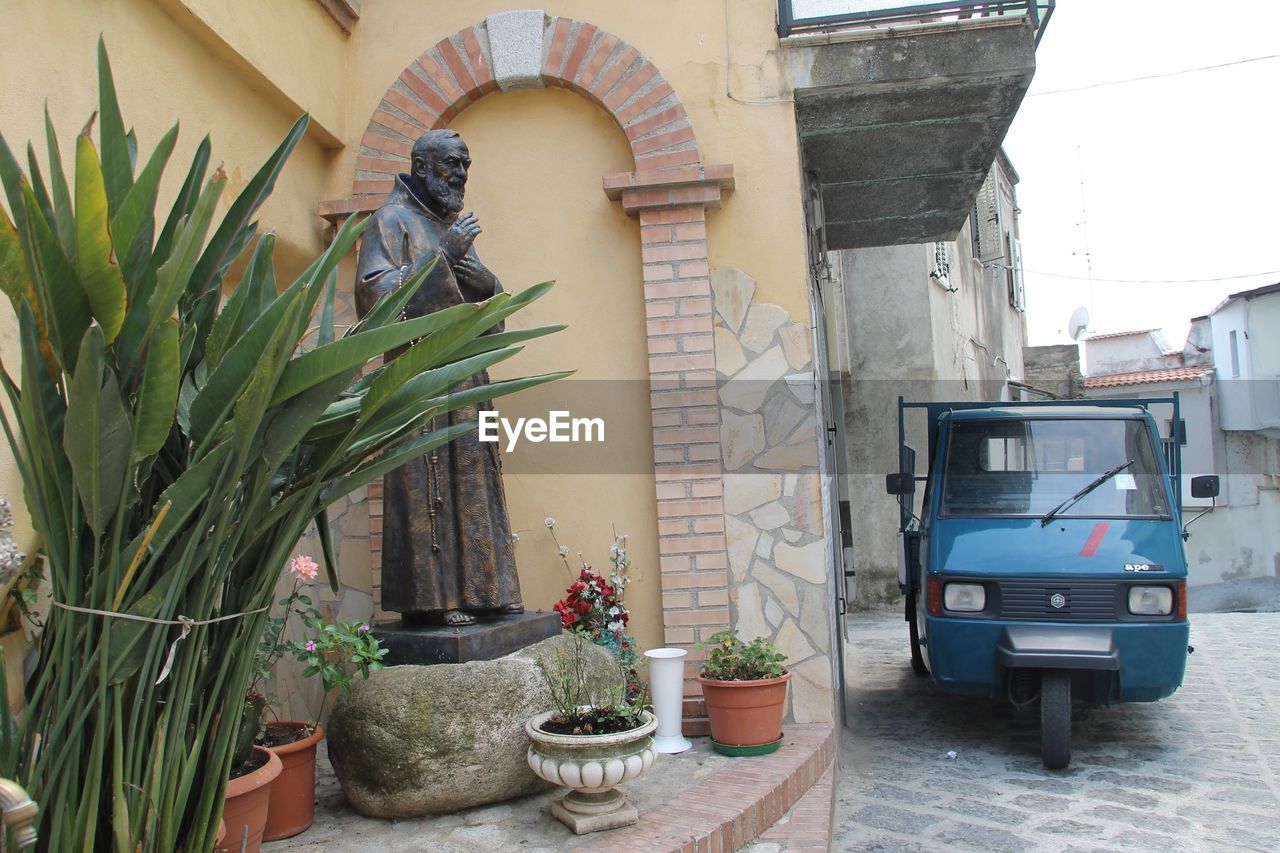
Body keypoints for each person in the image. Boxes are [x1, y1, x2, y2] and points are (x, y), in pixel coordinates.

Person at [354, 129, 523, 626]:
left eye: (466, 165)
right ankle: (436, 601)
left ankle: (487, 591)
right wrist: (442, 258)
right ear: (422, 167)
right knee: (429, 489)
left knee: (476, 487)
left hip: (468, 384)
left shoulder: (447, 228)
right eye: (452, 164)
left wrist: (484, 282)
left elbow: (490, 314)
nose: (462, 175)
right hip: (419, 385)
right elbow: (375, 301)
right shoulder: (391, 221)